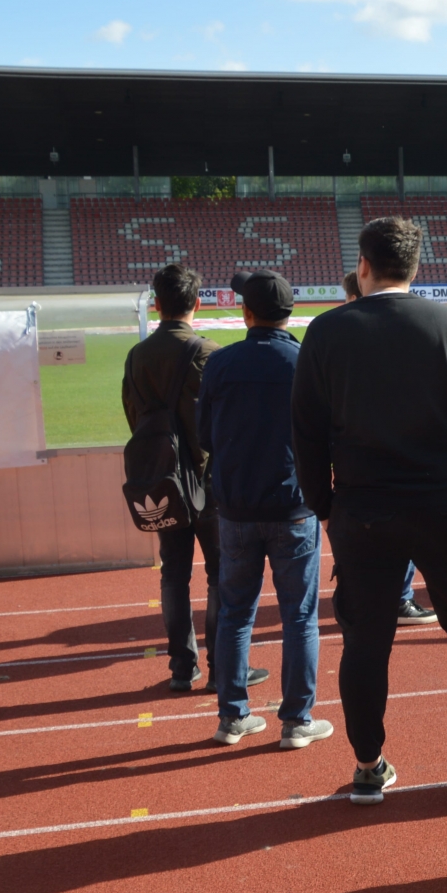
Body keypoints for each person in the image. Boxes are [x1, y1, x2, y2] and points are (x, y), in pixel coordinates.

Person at [291, 217, 447, 801]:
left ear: (363, 266)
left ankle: (369, 764)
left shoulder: (326, 331)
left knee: (366, 641)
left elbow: (307, 434)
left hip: (364, 510)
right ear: (415, 269)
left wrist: (325, 506)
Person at [197, 270, 332, 749]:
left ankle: (232, 717)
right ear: (290, 313)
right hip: (293, 507)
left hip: (234, 508)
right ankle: (296, 721)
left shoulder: (220, 363)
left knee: (235, 612)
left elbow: (204, 437)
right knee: (299, 616)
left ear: (246, 313)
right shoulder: (305, 362)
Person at [122, 263, 265, 695]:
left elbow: (134, 418)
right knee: (221, 574)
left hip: (165, 479)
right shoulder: (211, 353)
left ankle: (183, 668)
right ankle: (223, 668)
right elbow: (230, 422)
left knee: (173, 574)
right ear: (197, 303)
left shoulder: (138, 356)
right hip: (209, 480)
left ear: (157, 304)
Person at [344, 268, 437, 628]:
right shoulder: (416, 330)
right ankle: (397, 599)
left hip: (362, 466)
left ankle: (384, 598)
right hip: (406, 463)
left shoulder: (340, 334)